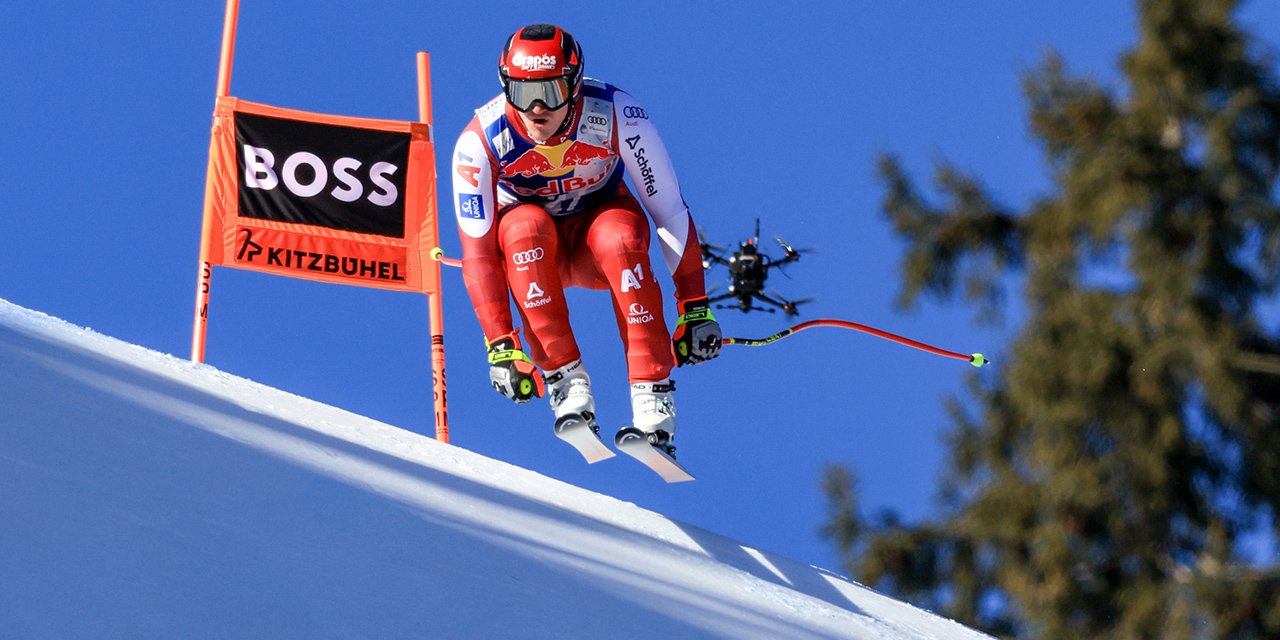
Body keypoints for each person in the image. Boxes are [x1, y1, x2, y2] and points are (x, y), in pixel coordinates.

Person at [450, 23, 721, 456]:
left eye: (552, 91)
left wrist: (694, 307)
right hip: (537, 255)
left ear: (575, 87)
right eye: (522, 93)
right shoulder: (480, 140)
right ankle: (566, 381)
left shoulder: (616, 114)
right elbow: (478, 254)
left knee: (621, 236)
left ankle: (652, 393)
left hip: (600, 235)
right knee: (522, 228)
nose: (537, 109)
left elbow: (668, 209)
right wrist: (501, 344)